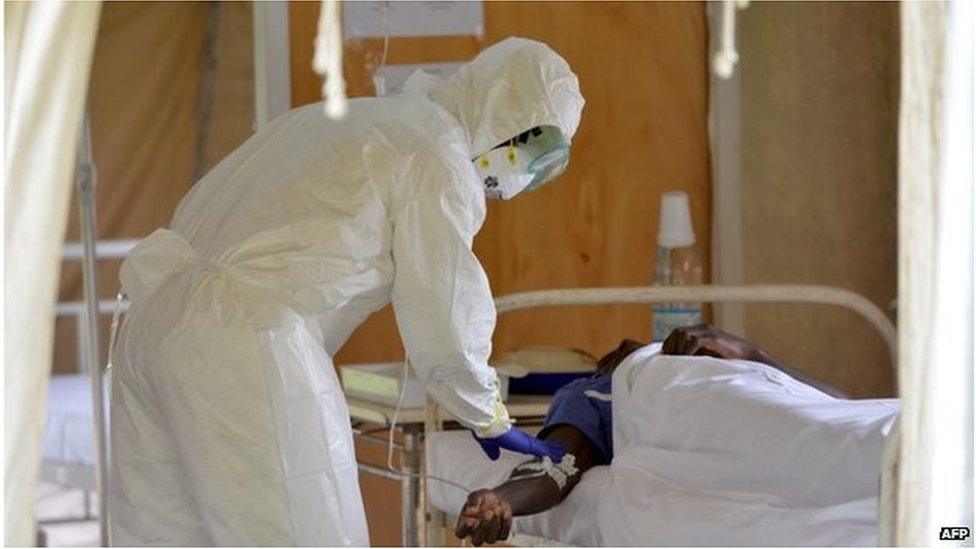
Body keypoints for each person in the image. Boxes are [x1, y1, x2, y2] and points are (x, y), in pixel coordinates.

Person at [109, 37, 584, 546]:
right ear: (509, 114)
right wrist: (486, 415)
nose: (518, 175)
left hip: (151, 325)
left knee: (167, 535)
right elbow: (445, 309)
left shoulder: (340, 118)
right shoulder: (436, 157)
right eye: (531, 149)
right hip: (242, 345)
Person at [454, 325, 868, 546]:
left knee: (857, 439)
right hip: (716, 417)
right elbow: (558, 462)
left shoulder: (731, 357)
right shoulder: (598, 389)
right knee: (851, 450)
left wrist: (747, 352)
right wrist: (503, 498)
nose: (628, 342)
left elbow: (839, 408)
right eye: (621, 349)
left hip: (799, 407)